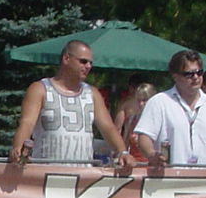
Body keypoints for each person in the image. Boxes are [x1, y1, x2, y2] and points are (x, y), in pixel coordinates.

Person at [9, 40, 129, 169]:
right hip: (45, 174)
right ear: (66, 58)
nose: (88, 66)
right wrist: (18, 148)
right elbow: (27, 123)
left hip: (82, 176)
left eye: (90, 63)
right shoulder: (40, 89)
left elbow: (108, 128)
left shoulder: (92, 93)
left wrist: (123, 152)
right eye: (83, 61)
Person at [133, 50, 206, 169]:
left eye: (199, 73)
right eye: (189, 74)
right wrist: (152, 155)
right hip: (169, 181)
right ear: (175, 76)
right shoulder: (159, 102)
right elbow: (144, 138)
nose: (195, 77)